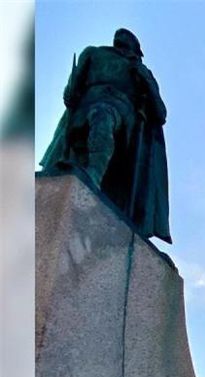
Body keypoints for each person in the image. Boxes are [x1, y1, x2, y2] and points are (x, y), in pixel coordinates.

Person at [40, 28, 171, 243]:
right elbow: (71, 90)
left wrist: (145, 80)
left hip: (121, 114)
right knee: (95, 117)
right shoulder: (93, 53)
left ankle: (93, 174)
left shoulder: (141, 71)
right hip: (86, 105)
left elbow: (160, 113)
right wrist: (70, 93)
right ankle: (77, 171)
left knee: (102, 116)